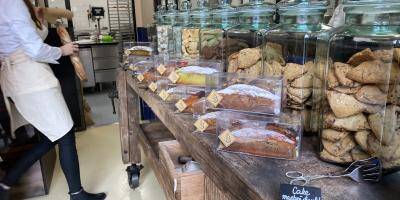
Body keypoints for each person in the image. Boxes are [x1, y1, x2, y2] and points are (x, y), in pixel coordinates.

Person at [0, 0, 106, 200]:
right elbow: (35, 50)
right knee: (65, 134)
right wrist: (63, 51)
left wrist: (40, 22)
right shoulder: (12, 3)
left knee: (53, 136)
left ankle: (6, 183)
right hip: (31, 79)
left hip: (21, 79)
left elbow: (27, 43)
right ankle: (77, 194)